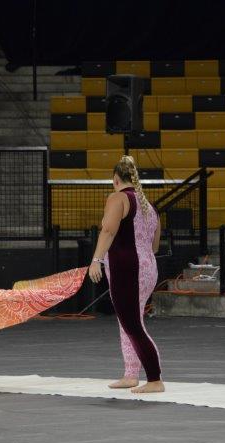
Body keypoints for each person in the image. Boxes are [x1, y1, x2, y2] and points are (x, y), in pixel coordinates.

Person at [88, 155, 164, 393]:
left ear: (115, 179)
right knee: (129, 322)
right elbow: (155, 246)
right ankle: (131, 374)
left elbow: (108, 231)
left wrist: (96, 260)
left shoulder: (118, 198)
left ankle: (154, 379)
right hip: (147, 268)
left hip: (127, 268)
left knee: (132, 325)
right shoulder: (149, 207)